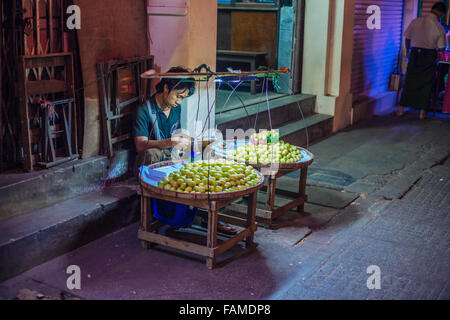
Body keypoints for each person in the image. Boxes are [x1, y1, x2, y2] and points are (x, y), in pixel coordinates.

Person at [134, 66, 236, 234]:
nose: (179, 101)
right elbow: (140, 145)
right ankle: (151, 215)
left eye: (183, 98)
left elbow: (177, 133)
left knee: (207, 152)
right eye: (178, 96)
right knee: (152, 154)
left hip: (172, 154)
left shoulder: (175, 108)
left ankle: (209, 214)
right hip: (152, 159)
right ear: (166, 88)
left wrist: (190, 142)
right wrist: (169, 142)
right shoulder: (144, 110)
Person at [398, 2, 448, 119]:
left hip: (415, 53)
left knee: (410, 81)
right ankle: (422, 113)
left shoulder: (416, 21)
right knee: (426, 83)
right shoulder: (439, 27)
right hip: (429, 55)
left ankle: (401, 109)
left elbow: (407, 37)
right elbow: (441, 48)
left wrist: (408, 51)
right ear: (441, 13)